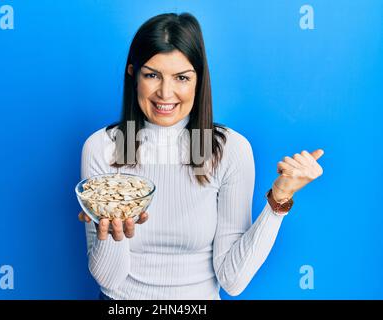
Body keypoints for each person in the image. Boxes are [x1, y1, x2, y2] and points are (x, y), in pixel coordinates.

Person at [78, 12, 324, 300]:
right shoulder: (102, 148)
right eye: (152, 75)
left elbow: (232, 281)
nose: (165, 93)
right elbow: (109, 278)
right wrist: (114, 233)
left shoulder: (230, 150)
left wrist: (278, 201)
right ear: (133, 74)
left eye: (181, 77)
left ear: (199, 79)